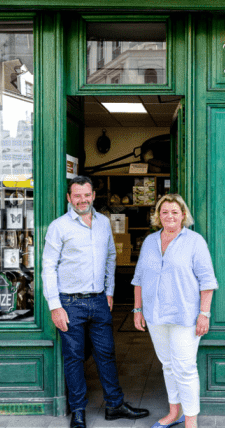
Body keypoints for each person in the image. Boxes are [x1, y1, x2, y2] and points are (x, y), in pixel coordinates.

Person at [42, 176, 150, 428]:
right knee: (74, 357)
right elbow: (48, 267)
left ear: (93, 196)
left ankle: (114, 404)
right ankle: (78, 411)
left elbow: (111, 256)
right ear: (69, 198)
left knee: (106, 354)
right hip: (70, 303)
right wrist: (55, 305)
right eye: (77, 195)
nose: (82, 200)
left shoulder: (102, 222)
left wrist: (110, 291)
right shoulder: (59, 227)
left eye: (86, 195)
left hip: (100, 300)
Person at [132, 194, 218, 428]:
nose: (169, 216)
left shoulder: (194, 241)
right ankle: (174, 413)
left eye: (174, 212)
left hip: (185, 316)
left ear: (183, 215)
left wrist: (204, 313)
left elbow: (207, 281)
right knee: (168, 365)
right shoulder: (150, 241)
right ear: (158, 216)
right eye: (164, 212)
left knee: (185, 368)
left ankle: (191, 422)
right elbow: (139, 277)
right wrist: (137, 309)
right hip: (155, 315)